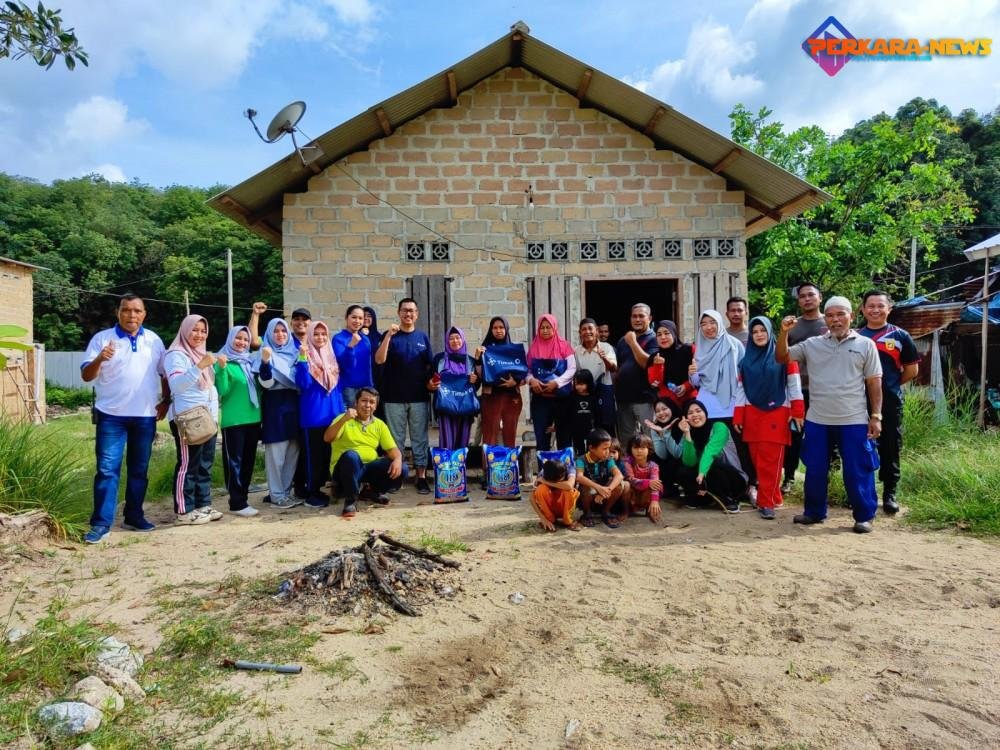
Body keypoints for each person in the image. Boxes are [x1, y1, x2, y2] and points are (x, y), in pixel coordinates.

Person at [777, 296, 883, 533]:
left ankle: (864, 515)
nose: (835, 320)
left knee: (857, 469)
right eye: (831, 316)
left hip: (854, 419)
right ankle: (814, 512)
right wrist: (783, 332)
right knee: (814, 468)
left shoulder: (866, 345)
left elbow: (874, 382)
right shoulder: (812, 344)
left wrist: (876, 416)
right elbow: (782, 357)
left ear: (851, 316)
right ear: (826, 319)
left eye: (840, 314)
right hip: (818, 419)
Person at [81, 293, 168, 544]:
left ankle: (134, 516)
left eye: (137, 311)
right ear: (118, 312)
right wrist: (100, 358)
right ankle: (100, 523)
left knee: (139, 470)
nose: (132, 315)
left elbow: (164, 373)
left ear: (144, 314)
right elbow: (87, 376)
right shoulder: (102, 339)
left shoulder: (154, 340)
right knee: (107, 470)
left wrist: (166, 400)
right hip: (111, 417)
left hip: (144, 416)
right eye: (126, 310)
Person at [733, 317, 805, 519]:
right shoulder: (745, 360)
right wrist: (739, 415)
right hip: (752, 414)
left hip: (777, 412)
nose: (759, 335)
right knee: (758, 460)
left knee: (770, 461)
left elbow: (794, 384)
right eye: (754, 332)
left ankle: (766, 503)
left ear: (770, 332)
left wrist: (798, 411)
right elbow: (740, 389)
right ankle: (774, 496)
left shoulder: (785, 356)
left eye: (762, 330)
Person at [858, 290, 919, 515]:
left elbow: (912, 370)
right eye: (870, 306)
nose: (875, 310)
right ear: (863, 309)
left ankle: (889, 494)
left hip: (890, 403)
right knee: (860, 449)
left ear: (889, 309)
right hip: (857, 404)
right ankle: (862, 492)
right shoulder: (856, 335)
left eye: (880, 306)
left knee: (891, 448)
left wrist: (889, 386)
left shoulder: (900, 336)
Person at [163, 314, 221, 526]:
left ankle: (202, 504)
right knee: (188, 465)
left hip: (207, 418)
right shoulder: (176, 355)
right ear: (185, 330)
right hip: (188, 419)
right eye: (194, 330)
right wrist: (200, 366)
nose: (199, 334)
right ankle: (183, 510)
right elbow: (176, 385)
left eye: (203, 330)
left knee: (205, 464)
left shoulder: (200, 353)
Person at [375, 298, 433, 494]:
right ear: (399, 313)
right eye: (405, 311)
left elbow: (430, 367)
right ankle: (396, 477)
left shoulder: (422, 337)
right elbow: (379, 359)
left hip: (418, 397)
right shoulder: (390, 335)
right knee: (395, 440)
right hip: (393, 398)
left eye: (412, 311)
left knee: (419, 439)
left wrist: (431, 384)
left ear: (417, 314)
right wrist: (388, 337)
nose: (408, 314)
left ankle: (421, 477)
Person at [324, 387, 406, 517]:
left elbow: (392, 449)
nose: (367, 405)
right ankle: (350, 501)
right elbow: (327, 438)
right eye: (364, 401)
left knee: (403, 467)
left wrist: (398, 459)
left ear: (376, 406)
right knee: (351, 456)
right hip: (344, 469)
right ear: (356, 403)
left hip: (367, 468)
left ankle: (372, 491)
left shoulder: (379, 424)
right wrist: (344, 419)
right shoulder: (343, 418)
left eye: (372, 402)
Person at [782, 283, 828, 492]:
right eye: (802, 296)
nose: (807, 299)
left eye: (811, 295)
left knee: (826, 435)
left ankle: (828, 477)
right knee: (793, 436)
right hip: (797, 391)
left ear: (820, 297)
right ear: (798, 300)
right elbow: (782, 355)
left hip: (825, 391)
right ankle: (789, 477)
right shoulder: (792, 326)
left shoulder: (830, 323)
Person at [253, 318, 303, 509]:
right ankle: (275, 495)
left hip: (294, 407)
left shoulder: (295, 353)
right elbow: (266, 384)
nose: (280, 334)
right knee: (276, 456)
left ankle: (286, 493)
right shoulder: (265, 352)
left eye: (283, 331)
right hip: (275, 407)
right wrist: (266, 362)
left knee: (292, 452)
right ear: (269, 333)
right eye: (276, 331)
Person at [215, 325, 262, 517]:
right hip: (234, 420)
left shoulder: (251, 361)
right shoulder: (223, 361)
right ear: (230, 339)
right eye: (238, 338)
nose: (242, 343)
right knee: (234, 462)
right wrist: (222, 369)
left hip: (254, 418)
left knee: (248, 461)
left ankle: (243, 499)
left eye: (245, 339)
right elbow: (222, 391)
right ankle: (236, 502)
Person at [295, 321, 344, 508]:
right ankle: (311, 493)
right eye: (316, 334)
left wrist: (340, 413)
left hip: (332, 415)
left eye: (324, 334)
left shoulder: (331, 357)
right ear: (309, 336)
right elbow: (303, 384)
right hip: (313, 416)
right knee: (313, 458)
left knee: (328, 456)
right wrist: (302, 358)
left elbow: (338, 386)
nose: (321, 338)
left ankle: (325, 488)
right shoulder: (305, 358)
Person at [677, 400, 746, 514]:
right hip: (707, 478)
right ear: (686, 417)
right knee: (683, 471)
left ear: (705, 413)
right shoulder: (690, 431)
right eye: (690, 413)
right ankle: (705, 499)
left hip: (734, 479)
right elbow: (689, 462)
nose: (695, 415)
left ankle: (729, 500)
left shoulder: (719, 427)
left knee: (713, 465)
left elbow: (710, 452)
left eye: (698, 411)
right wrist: (687, 434)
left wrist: (702, 473)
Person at [526, 313, 577, 450]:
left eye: (548, 327)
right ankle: (544, 469)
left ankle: (565, 470)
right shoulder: (534, 348)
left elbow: (572, 369)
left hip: (562, 399)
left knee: (564, 437)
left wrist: (557, 383)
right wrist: (532, 380)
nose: (545, 330)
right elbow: (527, 370)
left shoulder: (564, 346)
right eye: (542, 327)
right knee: (541, 437)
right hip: (541, 400)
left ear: (554, 328)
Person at [475, 316, 524, 447]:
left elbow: (523, 372)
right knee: (490, 435)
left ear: (506, 329)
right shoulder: (485, 349)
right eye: (495, 328)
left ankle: (508, 466)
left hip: (512, 398)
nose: (498, 330)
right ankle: (489, 466)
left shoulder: (514, 350)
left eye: (501, 327)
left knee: (509, 434)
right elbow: (480, 375)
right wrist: (478, 359)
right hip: (491, 397)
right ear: (491, 330)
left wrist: (515, 382)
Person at [614, 303, 659, 439]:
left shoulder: (655, 339)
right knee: (626, 441)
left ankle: (653, 461)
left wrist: (633, 343)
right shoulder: (623, 341)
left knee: (650, 438)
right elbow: (619, 367)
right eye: (634, 316)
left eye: (641, 316)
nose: (637, 319)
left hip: (644, 399)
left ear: (650, 318)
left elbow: (646, 363)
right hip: (624, 400)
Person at [430, 326, 479, 449]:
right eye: (451, 338)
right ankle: (446, 468)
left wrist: (474, 380)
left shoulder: (471, 361)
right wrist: (432, 383)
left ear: (463, 340)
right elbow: (430, 380)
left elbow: (476, 386)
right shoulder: (439, 360)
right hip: (445, 406)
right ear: (447, 341)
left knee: (462, 444)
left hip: (465, 407)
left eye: (458, 338)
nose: (455, 341)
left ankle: (459, 468)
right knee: (447, 443)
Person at [576, 428, 628, 528]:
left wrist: (606, 490)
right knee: (584, 486)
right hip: (588, 498)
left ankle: (606, 512)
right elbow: (579, 477)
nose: (608, 452)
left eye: (609, 448)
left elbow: (619, 475)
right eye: (604, 449)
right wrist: (598, 488)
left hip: (604, 496)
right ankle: (587, 514)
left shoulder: (608, 459)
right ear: (591, 448)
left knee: (619, 485)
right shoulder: (581, 459)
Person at [575, 318, 617, 433]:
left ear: (597, 331)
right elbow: (576, 374)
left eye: (590, 328)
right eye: (584, 329)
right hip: (586, 395)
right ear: (580, 333)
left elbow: (613, 368)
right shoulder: (576, 351)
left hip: (604, 392)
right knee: (587, 427)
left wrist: (604, 358)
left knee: (606, 427)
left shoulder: (606, 347)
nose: (587, 332)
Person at [646, 320, 694, 414]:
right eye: (659, 334)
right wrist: (658, 366)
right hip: (667, 405)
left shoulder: (689, 350)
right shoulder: (654, 357)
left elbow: (700, 374)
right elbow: (654, 383)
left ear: (674, 333)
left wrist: (686, 386)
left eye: (666, 333)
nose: (663, 337)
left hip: (691, 401)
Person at [333, 305, 374, 409]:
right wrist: (351, 346)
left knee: (364, 422)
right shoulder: (339, 338)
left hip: (366, 387)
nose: (357, 321)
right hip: (348, 388)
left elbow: (368, 365)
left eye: (360, 318)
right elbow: (345, 365)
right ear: (347, 318)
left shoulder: (365, 339)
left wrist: (370, 386)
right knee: (350, 422)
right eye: (354, 317)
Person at [529, 459, 580, 532]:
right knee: (540, 489)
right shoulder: (543, 473)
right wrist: (543, 519)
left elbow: (569, 485)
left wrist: (545, 482)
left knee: (568, 490)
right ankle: (549, 518)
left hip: (565, 505)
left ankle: (567, 519)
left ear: (563, 475)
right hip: (551, 505)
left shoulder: (569, 469)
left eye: (558, 481)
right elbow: (531, 498)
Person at [624, 433, 662, 523]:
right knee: (626, 485)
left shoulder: (653, 466)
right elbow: (630, 479)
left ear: (649, 449)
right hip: (631, 495)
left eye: (643, 448)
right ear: (631, 449)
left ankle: (649, 511)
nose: (639, 451)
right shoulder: (627, 462)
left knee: (655, 484)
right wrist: (648, 482)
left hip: (644, 495)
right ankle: (625, 511)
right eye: (636, 448)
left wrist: (654, 501)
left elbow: (655, 484)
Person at [570, 369, 596, 456]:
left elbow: (596, 414)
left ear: (588, 383)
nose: (579, 387)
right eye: (577, 384)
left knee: (591, 451)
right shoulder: (572, 397)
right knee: (579, 452)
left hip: (590, 430)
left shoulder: (593, 397)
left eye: (582, 384)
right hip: (576, 430)